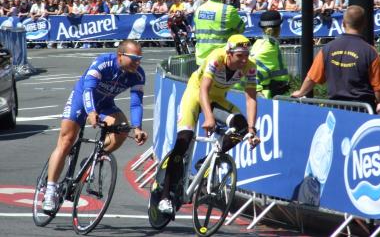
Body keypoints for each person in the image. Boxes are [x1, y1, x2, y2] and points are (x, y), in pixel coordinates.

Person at [157, 34, 260, 214]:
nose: (244, 59)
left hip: (217, 99)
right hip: (195, 93)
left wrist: (252, 130)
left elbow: (251, 98)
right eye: (239, 55)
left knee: (242, 127)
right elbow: (203, 89)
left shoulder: (250, 67)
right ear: (229, 53)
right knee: (184, 140)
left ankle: (207, 161)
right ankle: (164, 197)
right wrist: (209, 117)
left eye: (246, 54)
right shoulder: (216, 58)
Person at [42, 40, 148, 213]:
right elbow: (87, 89)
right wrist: (91, 112)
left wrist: (137, 128)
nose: (138, 62)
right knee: (66, 140)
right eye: (134, 58)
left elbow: (136, 104)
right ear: (120, 56)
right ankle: (50, 189)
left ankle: (93, 158)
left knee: (122, 129)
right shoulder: (103, 62)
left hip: (105, 104)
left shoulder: (138, 74)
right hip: (82, 99)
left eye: (140, 58)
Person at [291, 5, 380, 112]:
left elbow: (312, 77)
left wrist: (301, 92)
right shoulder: (370, 52)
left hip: (336, 109)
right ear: (363, 25)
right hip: (362, 112)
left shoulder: (327, 48)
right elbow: (379, 88)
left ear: (343, 23)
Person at [194, 0, 244, 66]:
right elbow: (241, 28)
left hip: (201, 60)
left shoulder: (199, 10)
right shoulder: (228, 10)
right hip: (221, 60)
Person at [250, 11, 289, 98]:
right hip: (268, 95)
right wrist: (258, 92)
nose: (280, 29)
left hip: (276, 91)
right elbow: (253, 70)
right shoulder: (268, 47)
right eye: (279, 26)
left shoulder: (265, 43)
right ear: (272, 30)